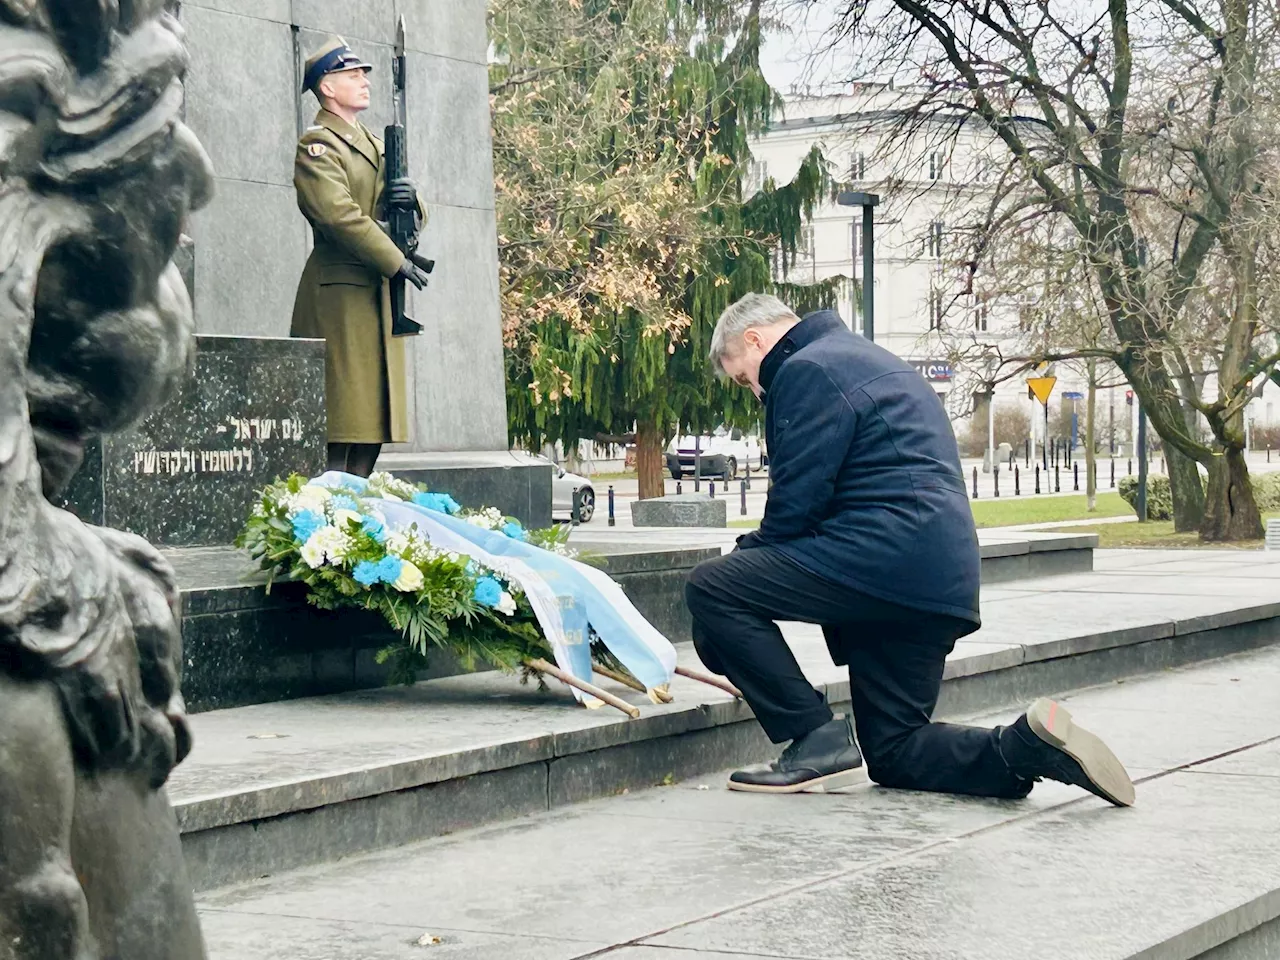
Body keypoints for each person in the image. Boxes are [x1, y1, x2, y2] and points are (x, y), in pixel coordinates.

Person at [685, 293, 1135, 806]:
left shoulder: (805, 369)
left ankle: (815, 734)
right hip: (935, 576)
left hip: (884, 558)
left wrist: (723, 595)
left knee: (712, 585)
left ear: (755, 339)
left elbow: (795, 505)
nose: (756, 391)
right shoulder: (871, 360)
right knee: (895, 749)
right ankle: (1023, 750)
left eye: (745, 377)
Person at [290, 37, 430, 478]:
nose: (364, 81)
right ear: (327, 87)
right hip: (340, 296)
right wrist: (395, 259)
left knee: (370, 423)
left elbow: (405, 207)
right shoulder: (319, 146)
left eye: (364, 74)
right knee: (340, 424)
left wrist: (413, 203)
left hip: (376, 293)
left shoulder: (377, 142)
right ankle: (325, 532)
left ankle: (351, 526)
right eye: (353, 75)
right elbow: (338, 216)